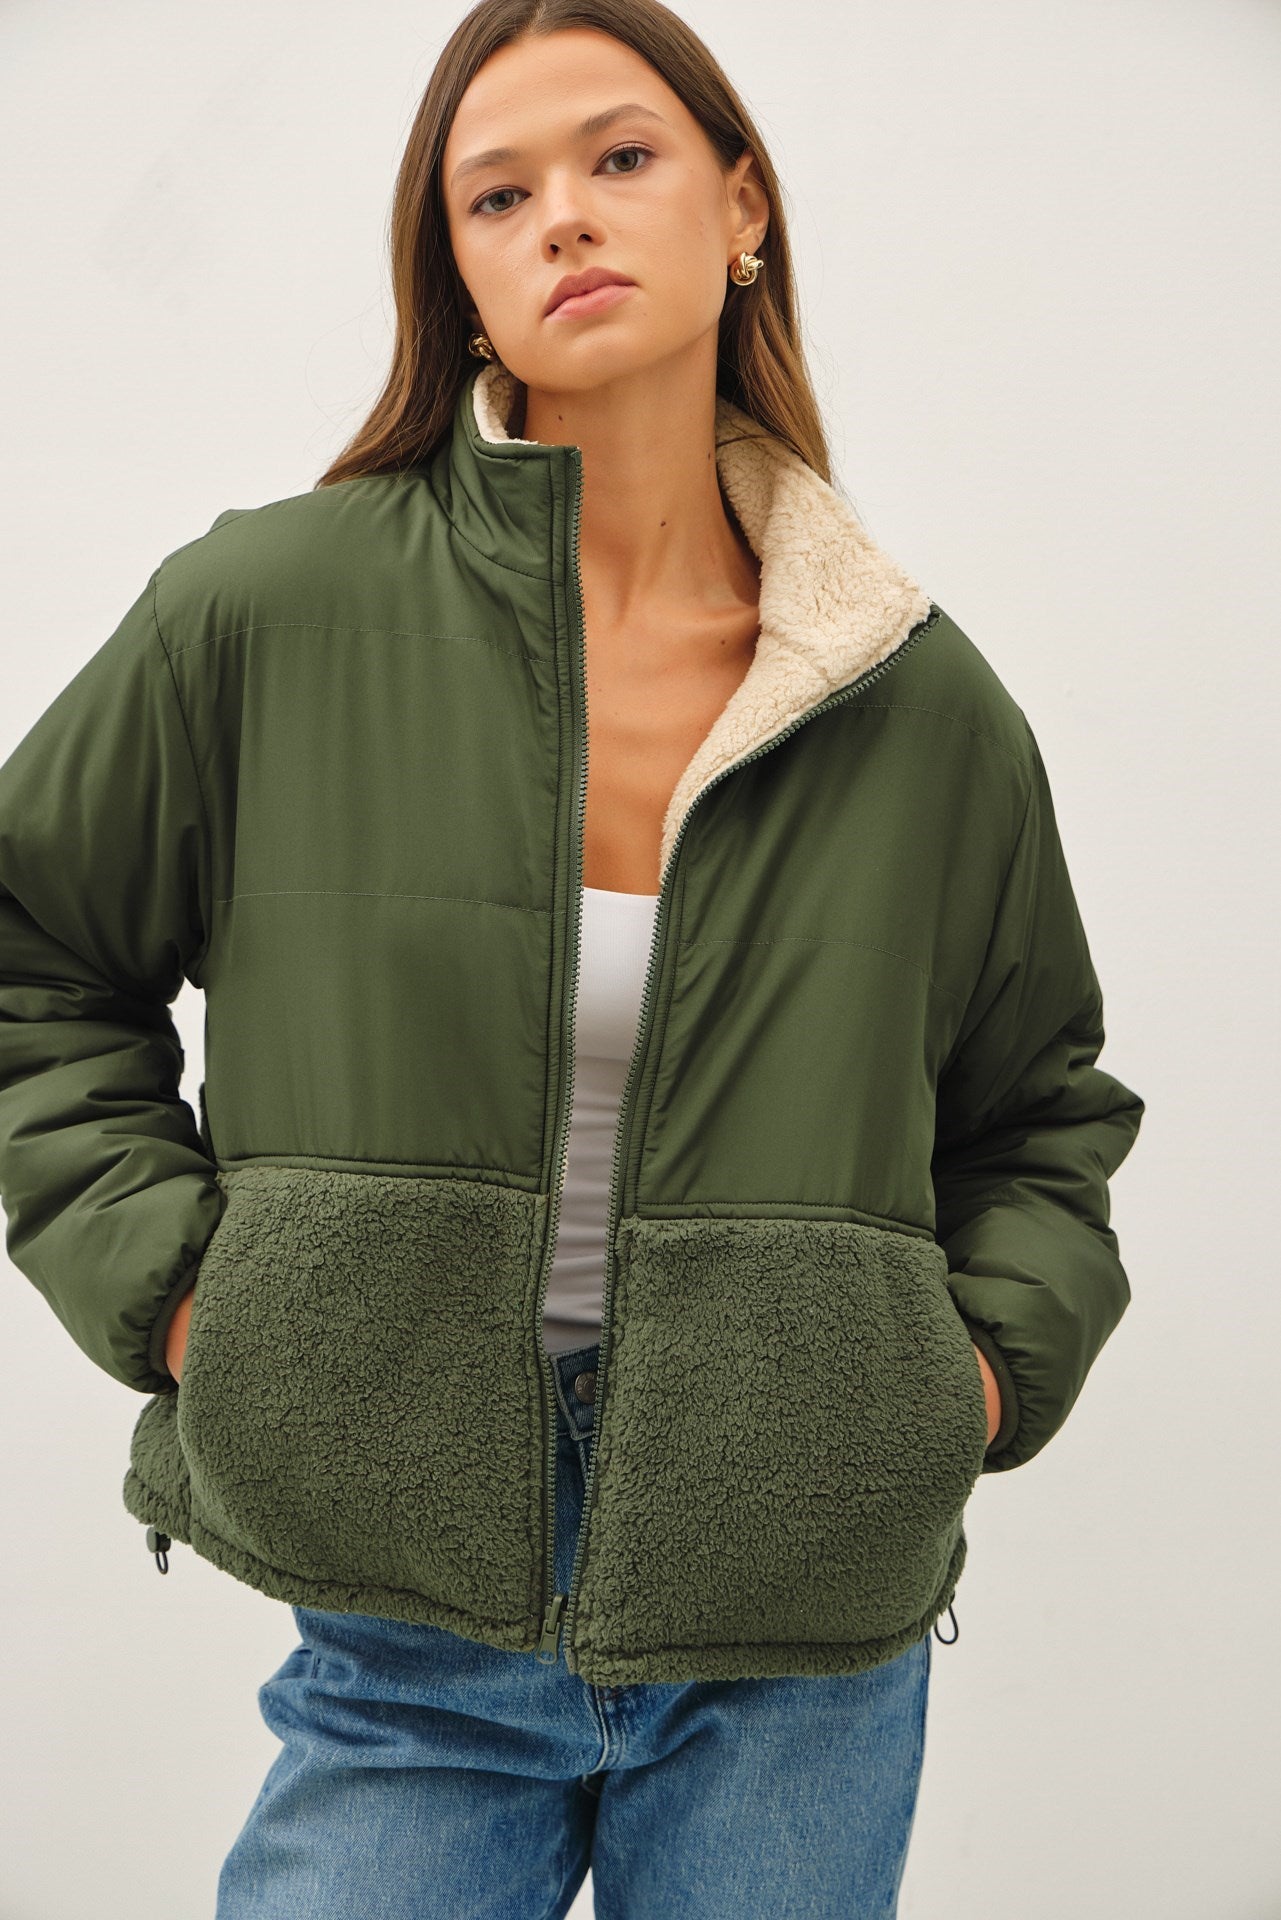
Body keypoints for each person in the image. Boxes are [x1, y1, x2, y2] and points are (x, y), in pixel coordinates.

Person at [0, 2, 1145, 1913]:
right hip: (405, 1622)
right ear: (454, 275)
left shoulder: (914, 704)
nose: (564, 218)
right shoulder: (265, 614)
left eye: (620, 158)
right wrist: (202, 1309)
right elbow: (29, 954)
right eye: (496, 194)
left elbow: (1039, 1114)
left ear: (740, 207)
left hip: (798, 1634)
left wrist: (951, 1391)